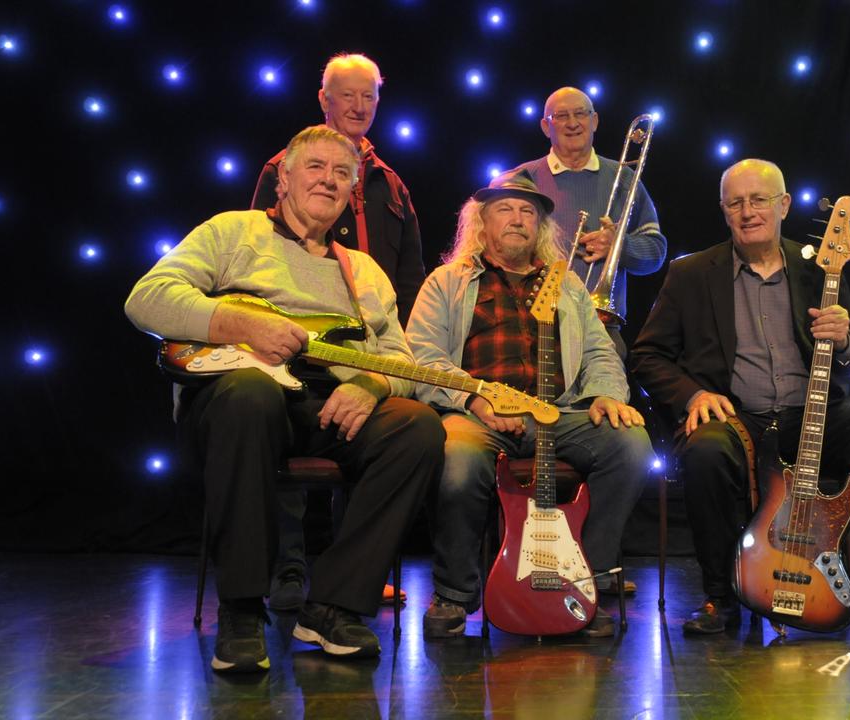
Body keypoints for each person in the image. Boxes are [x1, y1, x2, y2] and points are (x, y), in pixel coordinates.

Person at [126, 126, 443, 672]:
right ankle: (243, 610)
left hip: (326, 399)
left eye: (342, 174)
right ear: (283, 180)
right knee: (250, 397)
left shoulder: (363, 269)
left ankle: (333, 605)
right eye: (316, 167)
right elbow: (146, 298)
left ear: (351, 192)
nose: (329, 180)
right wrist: (238, 323)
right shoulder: (232, 231)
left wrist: (370, 385)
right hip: (237, 390)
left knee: (417, 428)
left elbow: (402, 358)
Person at [629, 159, 850, 638]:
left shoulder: (820, 267)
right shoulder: (690, 274)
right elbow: (647, 356)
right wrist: (692, 394)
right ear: (723, 210)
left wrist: (843, 342)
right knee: (704, 451)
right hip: (738, 418)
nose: (747, 211)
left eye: (759, 200)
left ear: (784, 206)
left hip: (816, 412)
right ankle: (721, 599)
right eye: (735, 202)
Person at [405, 169, 652, 638]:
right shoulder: (447, 282)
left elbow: (600, 349)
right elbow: (423, 357)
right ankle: (455, 594)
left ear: (540, 226)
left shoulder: (568, 284)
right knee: (457, 462)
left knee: (632, 447)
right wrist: (474, 398)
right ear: (481, 221)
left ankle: (586, 581)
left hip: (559, 412)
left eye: (528, 212)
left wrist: (606, 395)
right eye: (505, 209)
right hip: (477, 414)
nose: (517, 219)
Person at [251, 52, 425, 611]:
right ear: (323, 100)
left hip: (367, 347)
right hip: (294, 347)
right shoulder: (285, 165)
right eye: (346, 95)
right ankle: (290, 567)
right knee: (277, 432)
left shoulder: (390, 183)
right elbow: (257, 252)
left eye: (368, 96)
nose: (358, 106)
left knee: (387, 434)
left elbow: (411, 272)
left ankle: (356, 571)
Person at [512, 86, 666, 359]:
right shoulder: (522, 178)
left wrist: (619, 246)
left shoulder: (624, 177)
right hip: (531, 327)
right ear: (546, 127)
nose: (572, 123)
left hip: (602, 330)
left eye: (580, 114)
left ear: (594, 121)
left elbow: (655, 253)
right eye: (561, 116)